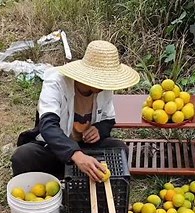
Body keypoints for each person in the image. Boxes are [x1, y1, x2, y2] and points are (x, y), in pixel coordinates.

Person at [11, 40, 140, 182]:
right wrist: (76, 155)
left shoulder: (104, 89)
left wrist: (99, 129)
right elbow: (48, 125)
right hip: (56, 147)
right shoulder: (56, 83)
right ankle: (65, 177)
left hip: (87, 149)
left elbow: (108, 119)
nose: (105, 85)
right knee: (23, 156)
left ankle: (73, 175)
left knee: (120, 149)